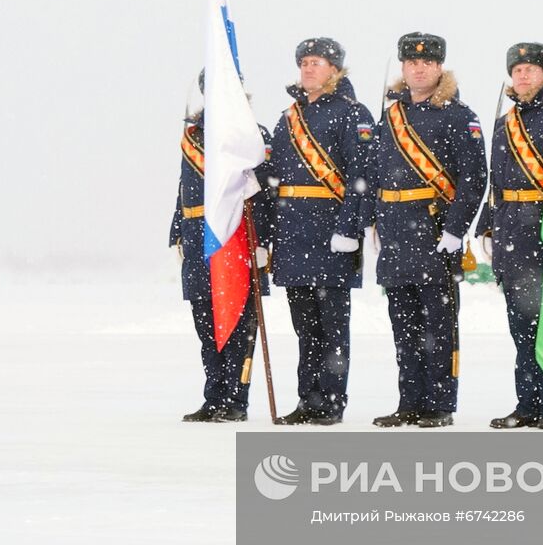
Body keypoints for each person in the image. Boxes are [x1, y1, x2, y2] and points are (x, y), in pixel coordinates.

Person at [368, 33, 487, 429]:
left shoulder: (457, 114)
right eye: (411, 62)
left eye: (427, 62)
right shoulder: (390, 115)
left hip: (435, 231)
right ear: (403, 68)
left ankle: (439, 403)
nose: (419, 68)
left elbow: (474, 179)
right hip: (396, 233)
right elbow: (375, 174)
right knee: (404, 326)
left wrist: (455, 230)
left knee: (438, 324)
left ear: (440, 67)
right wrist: (374, 222)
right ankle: (410, 401)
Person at [268, 37, 375, 426]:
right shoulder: (288, 117)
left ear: (335, 68)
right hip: (293, 233)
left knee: (332, 327)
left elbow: (362, 176)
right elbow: (273, 178)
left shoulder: (352, 113)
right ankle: (307, 399)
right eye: (304, 62)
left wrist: (349, 228)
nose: (309, 68)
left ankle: (331, 401)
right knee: (305, 328)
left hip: (331, 233)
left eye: (317, 62)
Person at [476, 43, 543, 429]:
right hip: (511, 231)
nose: (523, 76)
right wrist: (487, 224)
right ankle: (528, 404)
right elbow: (495, 181)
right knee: (522, 328)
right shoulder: (505, 122)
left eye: (531, 69)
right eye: (517, 70)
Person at [169, 73, 274, 422]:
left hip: (235, 237)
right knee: (207, 324)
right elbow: (185, 186)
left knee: (238, 326)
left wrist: (263, 239)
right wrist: (177, 230)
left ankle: (235, 399)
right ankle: (213, 397)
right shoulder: (194, 136)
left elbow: (265, 194)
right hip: (198, 236)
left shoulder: (250, 136)